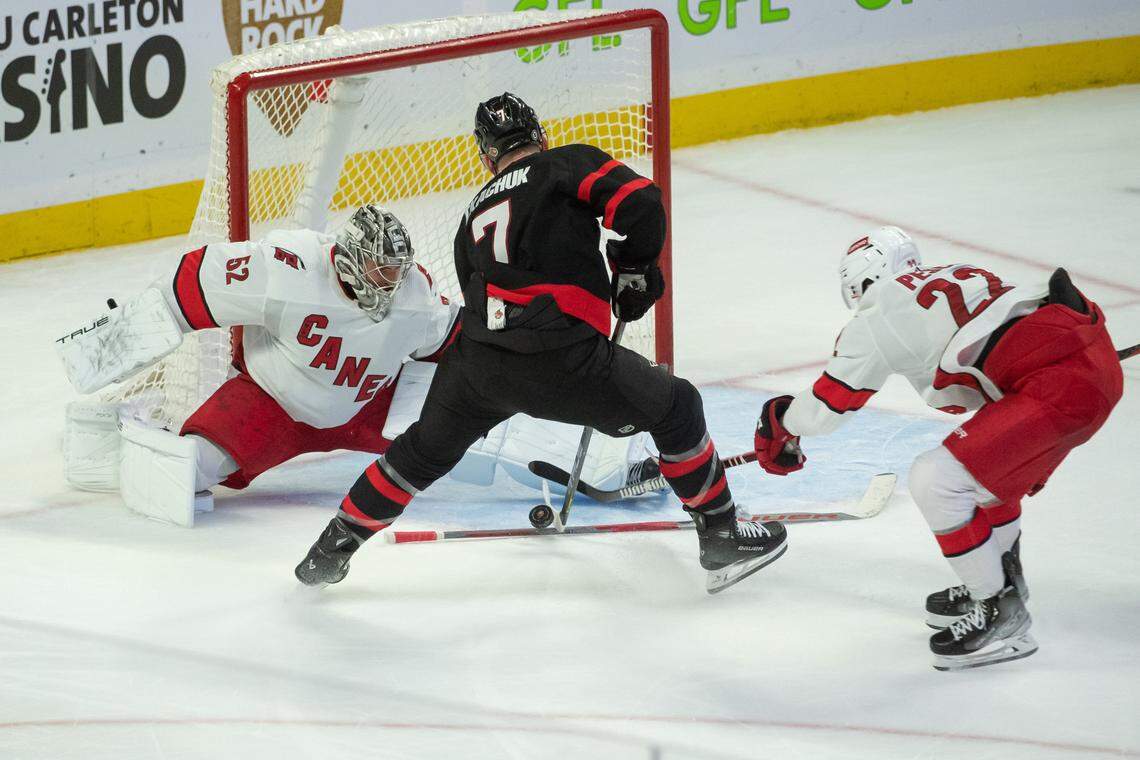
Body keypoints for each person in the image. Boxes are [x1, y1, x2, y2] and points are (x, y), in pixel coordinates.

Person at [294, 92, 788, 592]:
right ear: (541, 136)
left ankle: (329, 550)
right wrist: (635, 269)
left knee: (419, 454)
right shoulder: (566, 162)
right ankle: (722, 533)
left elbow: (477, 292)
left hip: (476, 365)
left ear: (486, 157)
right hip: (560, 357)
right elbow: (639, 201)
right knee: (678, 406)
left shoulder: (470, 217)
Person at [58, 205, 653, 526]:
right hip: (272, 404)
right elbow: (187, 288)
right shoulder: (287, 268)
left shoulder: (415, 297)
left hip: (373, 406)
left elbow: (465, 356)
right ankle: (111, 433)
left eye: (396, 272)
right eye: (379, 271)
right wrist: (103, 351)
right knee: (185, 475)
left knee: (479, 426)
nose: (390, 284)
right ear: (348, 258)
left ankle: (609, 466)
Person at [752, 226, 1123, 670]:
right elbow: (974, 377)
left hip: (1060, 385)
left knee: (937, 480)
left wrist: (780, 422)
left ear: (860, 283)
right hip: (1084, 364)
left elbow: (826, 410)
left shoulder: (876, 315)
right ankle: (1001, 581)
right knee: (985, 479)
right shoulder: (958, 276)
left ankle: (999, 611)